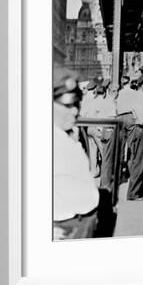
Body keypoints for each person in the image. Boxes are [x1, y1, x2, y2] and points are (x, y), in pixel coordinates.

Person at [53, 68, 100, 239]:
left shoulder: (67, 133)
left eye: (76, 103)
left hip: (83, 222)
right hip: (64, 228)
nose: (74, 111)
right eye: (67, 105)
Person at [125, 74, 143, 201]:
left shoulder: (140, 95)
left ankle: (139, 188)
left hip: (141, 129)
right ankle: (133, 193)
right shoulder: (139, 97)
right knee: (139, 162)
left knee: (141, 161)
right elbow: (142, 118)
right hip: (141, 129)